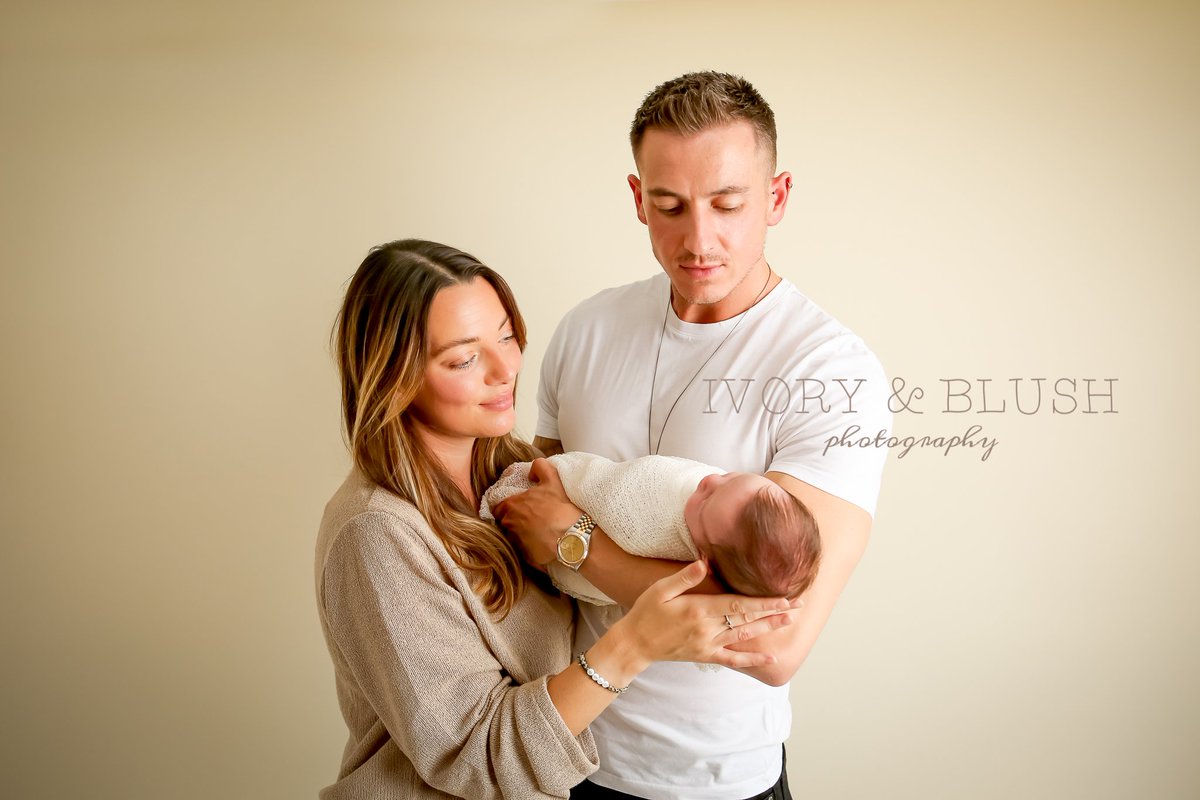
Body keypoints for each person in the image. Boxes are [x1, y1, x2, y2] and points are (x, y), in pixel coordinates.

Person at [492, 72, 892, 800]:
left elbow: (773, 642)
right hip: (563, 752)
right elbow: (526, 514)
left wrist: (576, 543)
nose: (698, 238)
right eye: (670, 206)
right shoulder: (586, 329)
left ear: (775, 198)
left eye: (728, 204)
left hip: (717, 782)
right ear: (639, 199)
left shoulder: (833, 371)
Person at [313, 238, 799, 800]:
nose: (506, 369)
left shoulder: (517, 472)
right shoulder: (377, 533)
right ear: (393, 377)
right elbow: (473, 758)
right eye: (464, 359)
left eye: (505, 335)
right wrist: (631, 646)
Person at [480, 452, 820, 605]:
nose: (710, 479)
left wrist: (569, 531)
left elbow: (618, 502)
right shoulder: (584, 329)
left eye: (706, 501)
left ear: (704, 559)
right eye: (729, 477)